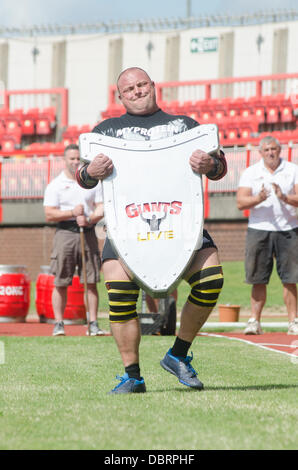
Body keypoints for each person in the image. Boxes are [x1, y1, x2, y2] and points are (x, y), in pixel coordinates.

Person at [76, 67, 227, 393]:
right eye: (129, 89)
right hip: (125, 224)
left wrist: (209, 165)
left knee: (211, 279)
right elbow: (82, 177)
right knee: (120, 296)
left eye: (141, 84)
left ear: (153, 86)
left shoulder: (185, 126)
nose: (137, 91)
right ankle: (133, 375)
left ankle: (178, 354)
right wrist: (90, 171)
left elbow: (221, 167)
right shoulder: (106, 131)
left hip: (181, 220)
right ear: (120, 96)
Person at [237, 136, 298, 335]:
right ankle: (254, 321)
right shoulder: (251, 172)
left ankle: (293, 321)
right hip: (259, 229)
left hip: (288, 229)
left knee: (290, 278)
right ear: (260, 152)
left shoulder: (292, 170)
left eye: (273, 149)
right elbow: (240, 202)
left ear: (280, 150)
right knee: (257, 278)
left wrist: (284, 197)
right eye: (266, 150)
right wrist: (259, 198)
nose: (270, 152)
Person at [44, 144, 104, 336]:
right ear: (65, 160)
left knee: (91, 280)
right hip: (65, 234)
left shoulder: (93, 182)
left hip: (87, 232)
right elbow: (49, 214)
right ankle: (59, 323)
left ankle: (93, 323)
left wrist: (89, 218)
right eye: (72, 158)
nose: (76, 161)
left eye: (78, 158)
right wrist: (71, 212)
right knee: (61, 280)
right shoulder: (55, 184)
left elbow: (102, 207)